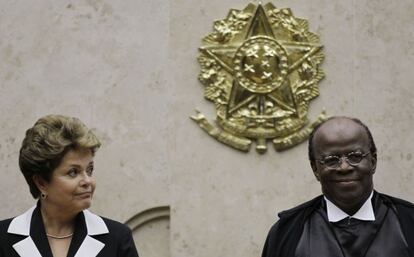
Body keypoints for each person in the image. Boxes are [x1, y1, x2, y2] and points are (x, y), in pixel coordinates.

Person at [261, 116, 414, 257]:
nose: (344, 167)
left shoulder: (408, 222)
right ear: (315, 169)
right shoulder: (287, 232)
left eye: (355, 157)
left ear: (373, 162)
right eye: (331, 160)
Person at [0, 114, 139, 257]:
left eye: (89, 170)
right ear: (41, 183)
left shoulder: (118, 238)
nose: (88, 181)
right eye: (73, 172)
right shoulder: (3, 239)